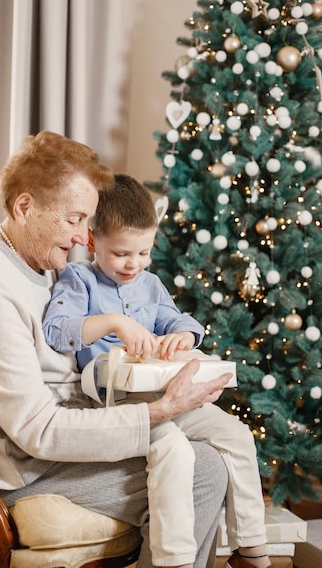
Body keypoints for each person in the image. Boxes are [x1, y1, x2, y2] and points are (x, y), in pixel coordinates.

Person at [0, 131, 230, 568]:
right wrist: (158, 413)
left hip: (61, 446)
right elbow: (37, 429)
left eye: (86, 221)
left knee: (202, 451)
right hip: (23, 469)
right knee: (201, 471)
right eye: (73, 219)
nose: (82, 237)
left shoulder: (42, 265)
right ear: (25, 207)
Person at [43, 173, 272, 568]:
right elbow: (56, 329)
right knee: (174, 451)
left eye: (143, 252)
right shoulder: (78, 279)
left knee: (235, 434)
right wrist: (114, 322)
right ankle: (175, 560)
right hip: (119, 404)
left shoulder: (150, 284)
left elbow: (179, 321)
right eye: (121, 254)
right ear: (94, 240)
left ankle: (250, 548)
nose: (134, 264)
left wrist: (182, 338)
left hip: (168, 392)